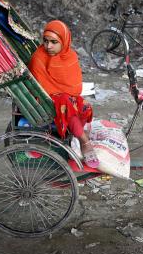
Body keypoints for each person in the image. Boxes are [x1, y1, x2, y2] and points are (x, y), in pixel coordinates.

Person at [28, 20, 99, 168]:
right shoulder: (38, 58)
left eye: (54, 42)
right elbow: (39, 89)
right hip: (45, 100)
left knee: (85, 107)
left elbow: (74, 87)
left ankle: (74, 132)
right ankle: (84, 142)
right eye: (46, 41)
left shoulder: (71, 56)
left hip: (67, 97)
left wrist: (65, 94)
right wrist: (60, 95)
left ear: (64, 41)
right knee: (66, 103)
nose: (48, 46)